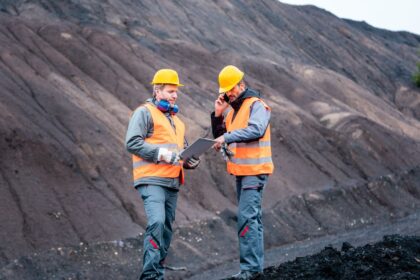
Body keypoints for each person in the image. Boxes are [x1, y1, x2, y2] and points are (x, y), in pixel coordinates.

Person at [125, 69, 200, 280]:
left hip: (172, 182)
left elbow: (181, 154)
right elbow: (132, 143)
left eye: (176, 92)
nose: (174, 95)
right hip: (151, 179)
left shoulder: (178, 122)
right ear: (157, 91)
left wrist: (191, 160)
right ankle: (150, 277)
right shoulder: (144, 112)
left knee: (166, 230)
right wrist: (161, 154)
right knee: (157, 222)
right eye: (170, 91)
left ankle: (158, 273)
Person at [211, 65, 274, 279]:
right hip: (242, 171)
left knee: (247, 218)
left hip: (254, 171)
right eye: (226, 91)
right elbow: (223, 134)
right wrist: (218, 116)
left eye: (231, 89)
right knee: (252, 218)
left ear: (241, 84)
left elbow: (256, 130)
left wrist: (226, 138)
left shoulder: (256, 105)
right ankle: (255, 270)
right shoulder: (233, 112)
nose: (229, 93)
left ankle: (250, 270)